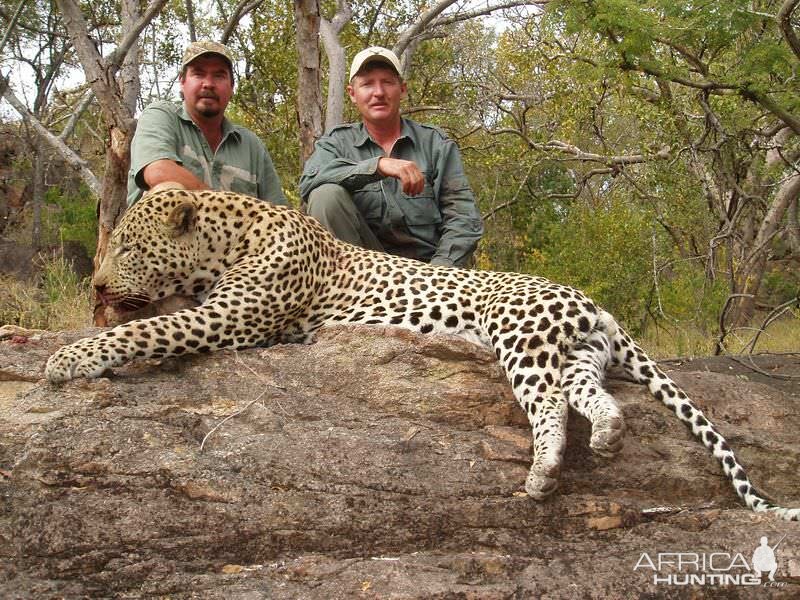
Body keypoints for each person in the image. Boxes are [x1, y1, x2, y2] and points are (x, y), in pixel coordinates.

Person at [299, 46, 483, 267]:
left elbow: (463, 219)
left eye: (387, 82)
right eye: (367, 84)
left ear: (402, 89)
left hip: (430, 273)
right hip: (366, 273)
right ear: (352, 94)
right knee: (324, 195)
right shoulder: (336, 143)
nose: (378, 92)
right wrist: (378, 166)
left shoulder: (436, 144)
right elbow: (309, 181)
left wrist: (438, 275)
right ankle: (351, 295)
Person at [127, 40, 286, 206]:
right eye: (198, 74)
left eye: (219, 75)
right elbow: (158, 173)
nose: (209, 84)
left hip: (234, 232)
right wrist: (229, 211)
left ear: (232, 87)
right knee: (166, 188)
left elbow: (280, 213)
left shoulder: (251, 145)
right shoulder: (160, 116)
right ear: (182, 82)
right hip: (159, 232)